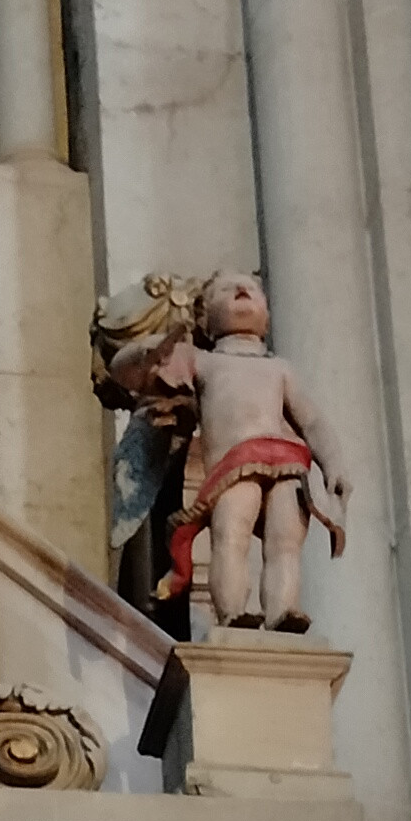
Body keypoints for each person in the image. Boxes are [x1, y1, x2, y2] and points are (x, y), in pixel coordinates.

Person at [157, 268, 344, 631]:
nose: (242, 289)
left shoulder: (280, 368)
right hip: (234, 464)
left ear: (267, 315)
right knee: (231, 535)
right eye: (226, 290)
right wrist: (155, 348)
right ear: (204, 318)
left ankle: (283, 611)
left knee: (285, 543)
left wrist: (333, 463)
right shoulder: (204, 361)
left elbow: (312, 422)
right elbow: (139, 365)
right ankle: (232, 612)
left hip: (287, 462)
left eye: (252, 289)